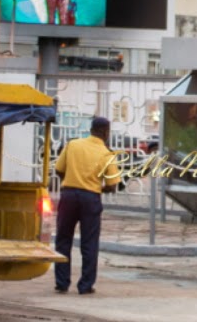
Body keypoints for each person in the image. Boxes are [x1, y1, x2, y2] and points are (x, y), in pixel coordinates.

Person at [54, 117, 121, 295]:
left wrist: (71, 181)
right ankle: (85, 286)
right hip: (91, 198)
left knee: (63, 239)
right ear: (106, 132)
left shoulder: (73, 144)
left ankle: (62, 283)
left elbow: (58, 169)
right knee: (89, 242)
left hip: (68, 196)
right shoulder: (107, 154)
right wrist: (98, 188)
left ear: (91, 129)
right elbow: (113, 185)